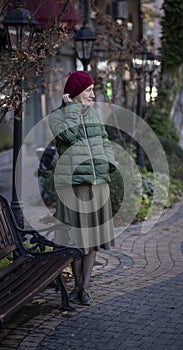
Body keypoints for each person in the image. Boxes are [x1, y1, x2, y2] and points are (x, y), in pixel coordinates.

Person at [48, 71, 116, 306]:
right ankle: (77, 285)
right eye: (88, 90)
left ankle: (84, 288)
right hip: (73, 188)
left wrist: (109, 163)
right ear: (75, 93)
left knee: (92, 239)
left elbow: (105, 140)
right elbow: (67, 135)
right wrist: (72, 110)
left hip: (96, 185)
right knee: (76, 240)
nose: (93, 94)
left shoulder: (94, 114)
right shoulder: (57, 117)